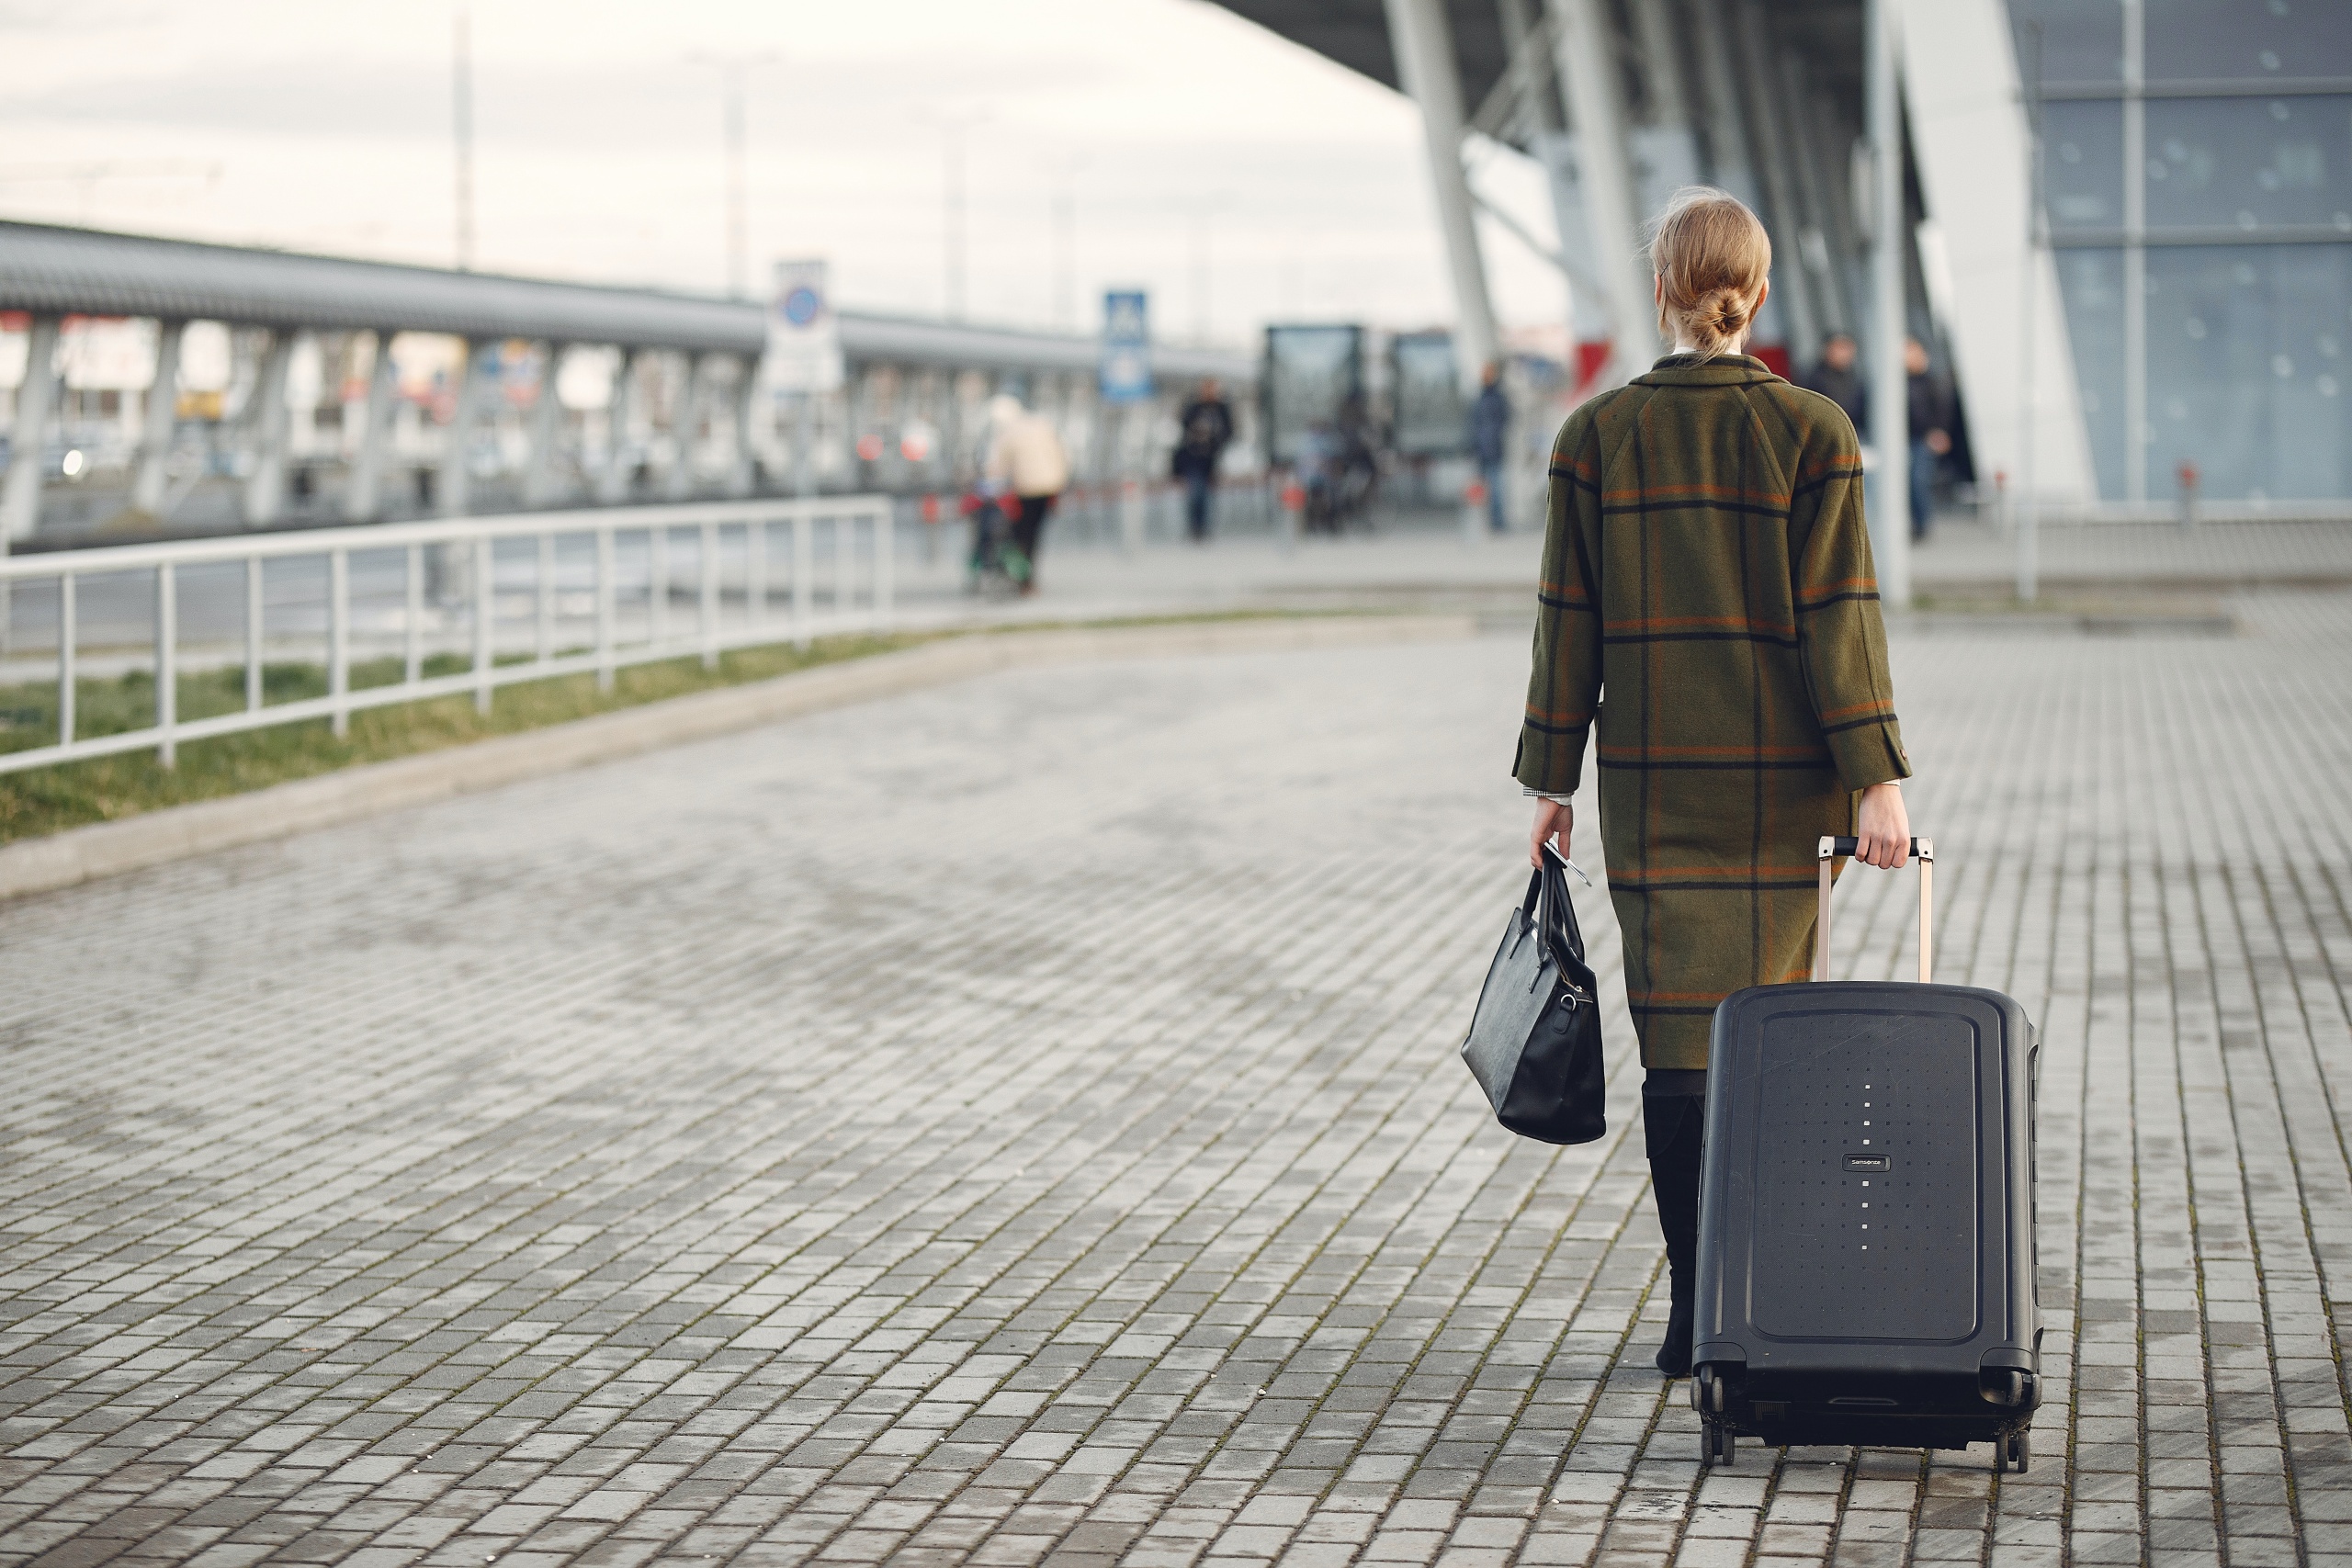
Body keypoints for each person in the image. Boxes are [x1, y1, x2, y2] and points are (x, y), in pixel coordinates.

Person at [1516, 187, 1913, 1379]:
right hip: (1785, 792)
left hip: (1653, 790)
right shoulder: (1814, 429)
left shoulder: (1595, 434)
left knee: (1678, 1051)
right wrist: (1878, 781)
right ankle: (1756, 1301)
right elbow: (1841, 620)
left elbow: (1564, 624)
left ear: (1662, 290)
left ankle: (1697, 1309)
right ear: (1761, 288)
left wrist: (1553, 779)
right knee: (1768, 1039)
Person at [983, 392, 1069, 595]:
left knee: (1023, 533)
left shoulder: (1008, 432)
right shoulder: (1041, 424)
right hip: (1051, 486)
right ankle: (1028, 577)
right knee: (1035, 532)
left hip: (1027, 489)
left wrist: (989, 482)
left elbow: (996, 466)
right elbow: (1061, 453)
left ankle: (1025, 577)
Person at [1171, 379, 1235, 543]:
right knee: (1196, 493)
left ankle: (1203, 527)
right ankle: (1196, 527)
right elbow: (1184, 425)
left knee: (1207, 495)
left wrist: (1215, 440)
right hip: (1193, 459)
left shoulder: (1221, 408)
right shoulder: (1193, 407)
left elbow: (1229, 431)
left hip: (1211, 459)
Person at [1905, 337, 1953, 542]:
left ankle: (1922, 524)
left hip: (1923, 439)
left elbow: (1943, 410)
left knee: (1918, 481)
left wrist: (1939, 432)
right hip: (1903, 440)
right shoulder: (1896, 381)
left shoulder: (1932, 381)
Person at [1467, 360, 1512, 534]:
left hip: (1492, 449)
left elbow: (1504, 420)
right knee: (1486, 489)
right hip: (1482, 449)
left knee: (1496, 488)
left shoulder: (1495, 398)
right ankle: (1489, 522)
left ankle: (1497, 522)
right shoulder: (1481, 398)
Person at [1799, 332, 1868, 436]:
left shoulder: (1856, 378)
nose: (1844, 353)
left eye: (1847, 348)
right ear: (1827, 349)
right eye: (1840, 348)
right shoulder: (1814, 379)